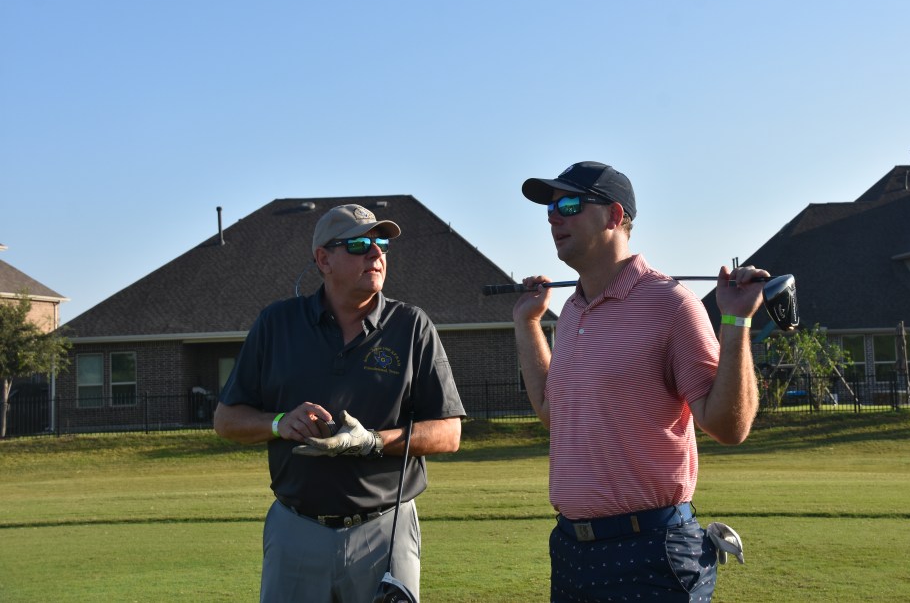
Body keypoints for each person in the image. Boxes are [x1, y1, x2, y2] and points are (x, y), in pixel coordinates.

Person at [512, 161, 762, 602]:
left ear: (613, 215)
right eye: (550, 209)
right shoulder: (570, 312)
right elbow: (553, 414)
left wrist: (736, 321)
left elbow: (729, 426)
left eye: (569, 205)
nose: (554, 218)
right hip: (571, 550)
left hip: (652, 549)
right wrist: (527, 324)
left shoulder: (672, 304)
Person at [214, 203, 465, 603]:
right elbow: (226, 419)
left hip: (385, 528)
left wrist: (372, 442)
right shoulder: (277, 324)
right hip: (296, 529)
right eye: (359, 244)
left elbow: (449, 433)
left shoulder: (411, 326)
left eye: (382, 244)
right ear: (323, 259)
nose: (376, 253)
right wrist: (279, 423)